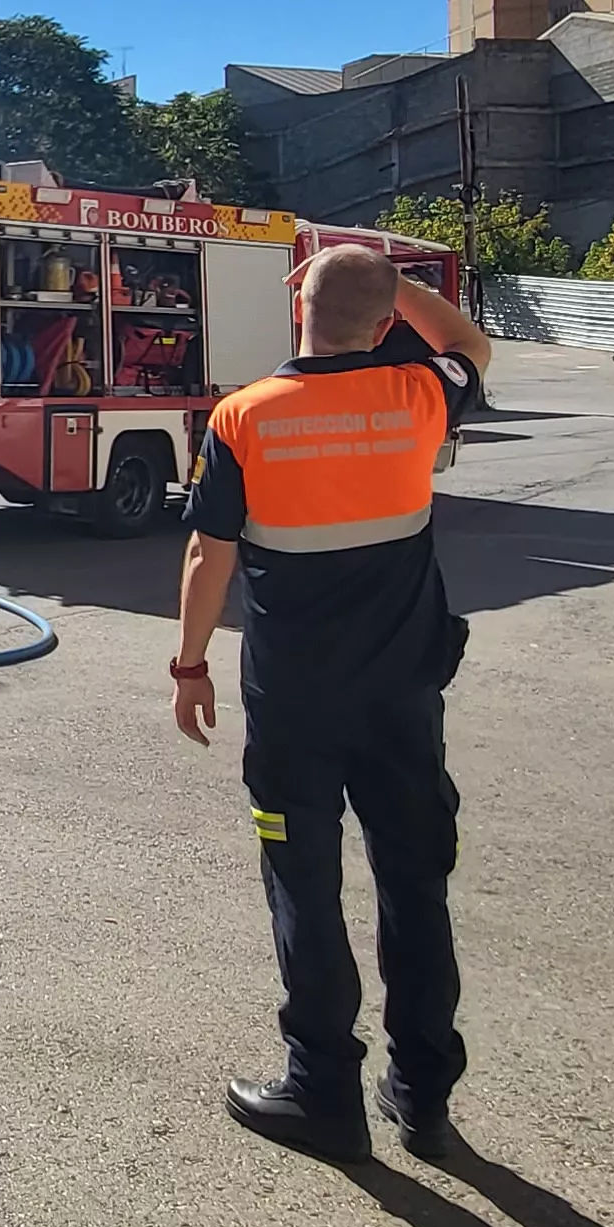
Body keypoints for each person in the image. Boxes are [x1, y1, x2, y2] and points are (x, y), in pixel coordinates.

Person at [174, 246, 488, 1166]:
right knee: (416, 884)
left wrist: (189, 666)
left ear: (296, 309)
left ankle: (322, 1091)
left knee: (304, 890)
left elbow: (207, 557)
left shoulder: (243, 416)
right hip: (402, 699)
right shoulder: (418, 395)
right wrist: (401, 286)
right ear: (386, 321)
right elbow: (470, 342)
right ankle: (423, 1096)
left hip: (295, 703)